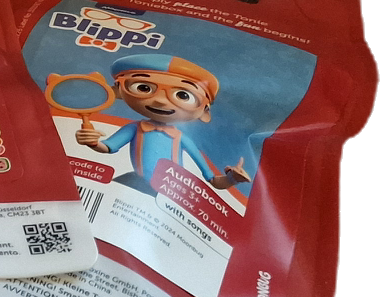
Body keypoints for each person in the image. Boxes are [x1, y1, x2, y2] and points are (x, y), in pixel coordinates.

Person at [74, 54, 252, 197]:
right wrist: (91, 141)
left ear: (205, 112)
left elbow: (213, 180)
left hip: (171, 190)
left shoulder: (182, 138)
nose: (160, 101)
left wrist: (232, 179)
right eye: (143, 88)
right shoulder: (135, 128)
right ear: (117, 91)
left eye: (183, 96)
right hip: (136, 184)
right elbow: (107, 147)